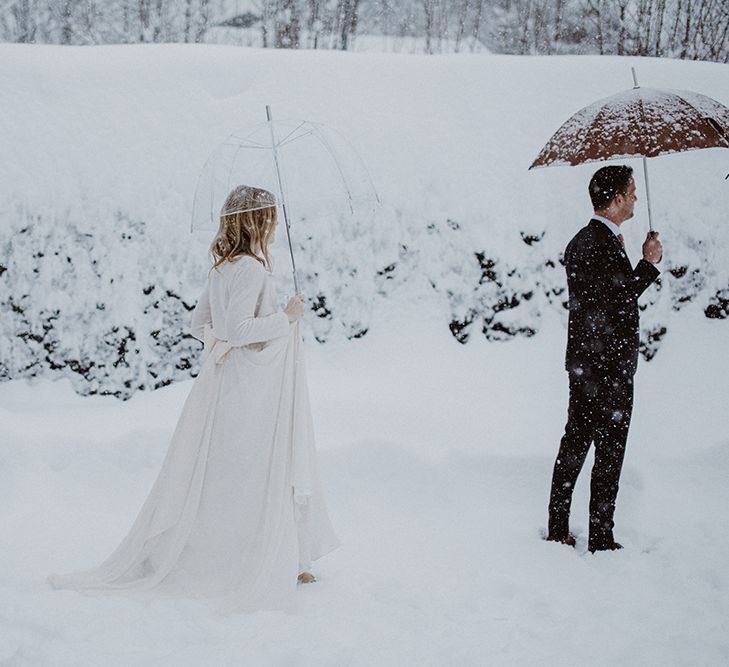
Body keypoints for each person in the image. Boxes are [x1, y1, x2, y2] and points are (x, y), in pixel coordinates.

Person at [50, 185, 338, 611]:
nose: (275, 228)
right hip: (249, 389)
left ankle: (282, 554)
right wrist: (286, 318)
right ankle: (257, 559)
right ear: (259, 222)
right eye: (271, 219)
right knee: (257, 470)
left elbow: (198, 324)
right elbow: (238, 330)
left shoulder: (221, 269)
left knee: (224, 473)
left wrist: (224, 341)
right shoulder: (253, 271)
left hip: (223, 383)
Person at [546, 165, 662, 553]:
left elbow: (602, 299)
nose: (634, 200)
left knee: (575, 443)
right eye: (631, 193)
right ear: (615, 200)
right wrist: (648, 264)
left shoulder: (584, 241)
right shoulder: (600, 244)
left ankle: (559, 526)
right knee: (609, 452)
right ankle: (600, 537)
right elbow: (617, 300)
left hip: (586, 365)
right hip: (608, 368)